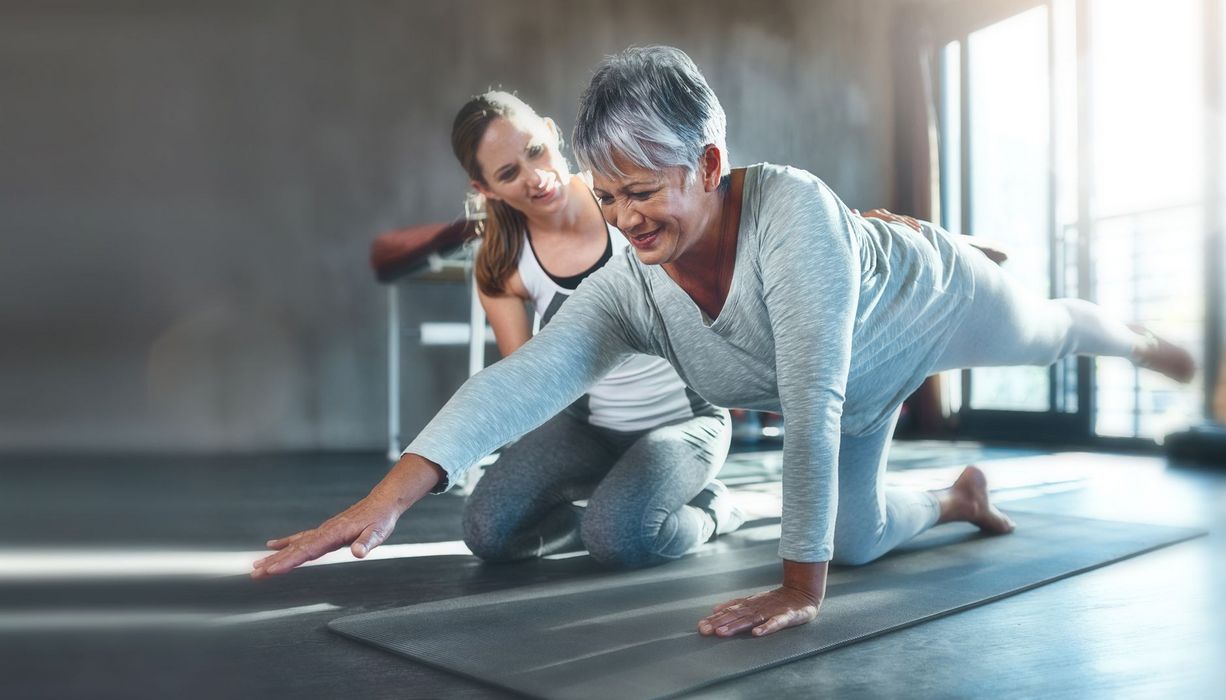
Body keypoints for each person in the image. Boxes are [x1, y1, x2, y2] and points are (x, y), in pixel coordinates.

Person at [253, 47, 1195, 641]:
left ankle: (1134, 333)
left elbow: (810, 399)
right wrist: (381, 503)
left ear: (708, 163)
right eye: (610, 197)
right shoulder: (629, 281)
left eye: (647, 192)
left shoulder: (793, 220)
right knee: (858, 539)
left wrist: (795, 588)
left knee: (1044, 334)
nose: (626, 220)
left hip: (926, 305)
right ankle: (959, 495)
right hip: (861, 389)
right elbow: (530, 374)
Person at [449, 90, 739, 568]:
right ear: (485, 189)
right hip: (588, 429)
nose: (536, 177)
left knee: (618, 539)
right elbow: (527, 384)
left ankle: (711, 509)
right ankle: (613, 515)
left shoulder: (625, 196)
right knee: (488, 532)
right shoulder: (503, 265)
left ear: (549, 131)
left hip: (686, 421)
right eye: (508, 173)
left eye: (535, 151)